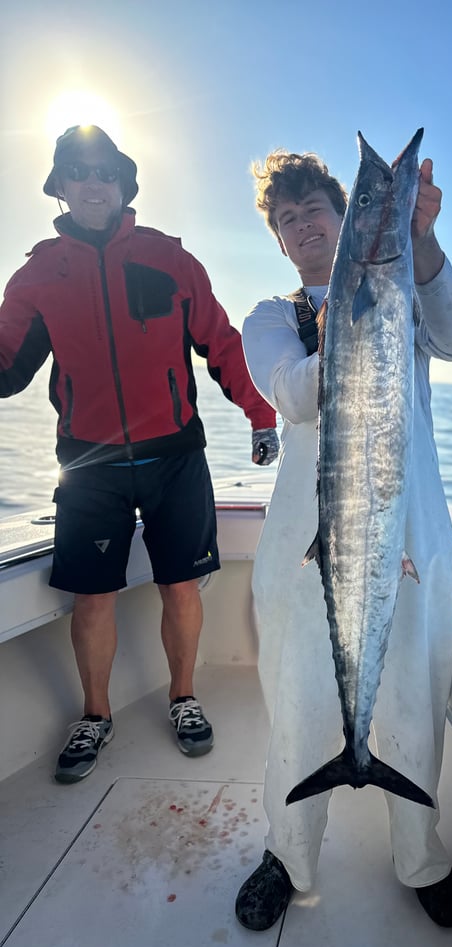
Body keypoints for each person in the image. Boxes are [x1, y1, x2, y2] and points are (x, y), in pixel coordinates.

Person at [236, 143, 452, 930]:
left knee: (414, 700)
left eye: (317, 210)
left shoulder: (405, 290)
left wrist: (422, 242)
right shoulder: (274, 317)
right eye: (287, 217)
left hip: (414, 536)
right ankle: (288, 855)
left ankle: (420, 858)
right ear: (278, 239)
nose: (303, 224)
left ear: (347, 223)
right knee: (299, 709)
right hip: (303, 549)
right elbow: (294, 395)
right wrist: (353, 313)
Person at [0, 124, 279, 784]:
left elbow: (222, 344)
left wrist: (261, 416)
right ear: (61, 187)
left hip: (174, 458)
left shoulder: (169, 259)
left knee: (180, 586)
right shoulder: (37, 274)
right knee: (91, 599)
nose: (93, 182)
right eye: (78, 171)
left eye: (106, 172)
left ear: (125, 184)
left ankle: (184, 698)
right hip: (87, 466)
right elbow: (7, 368)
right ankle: (96, 714)